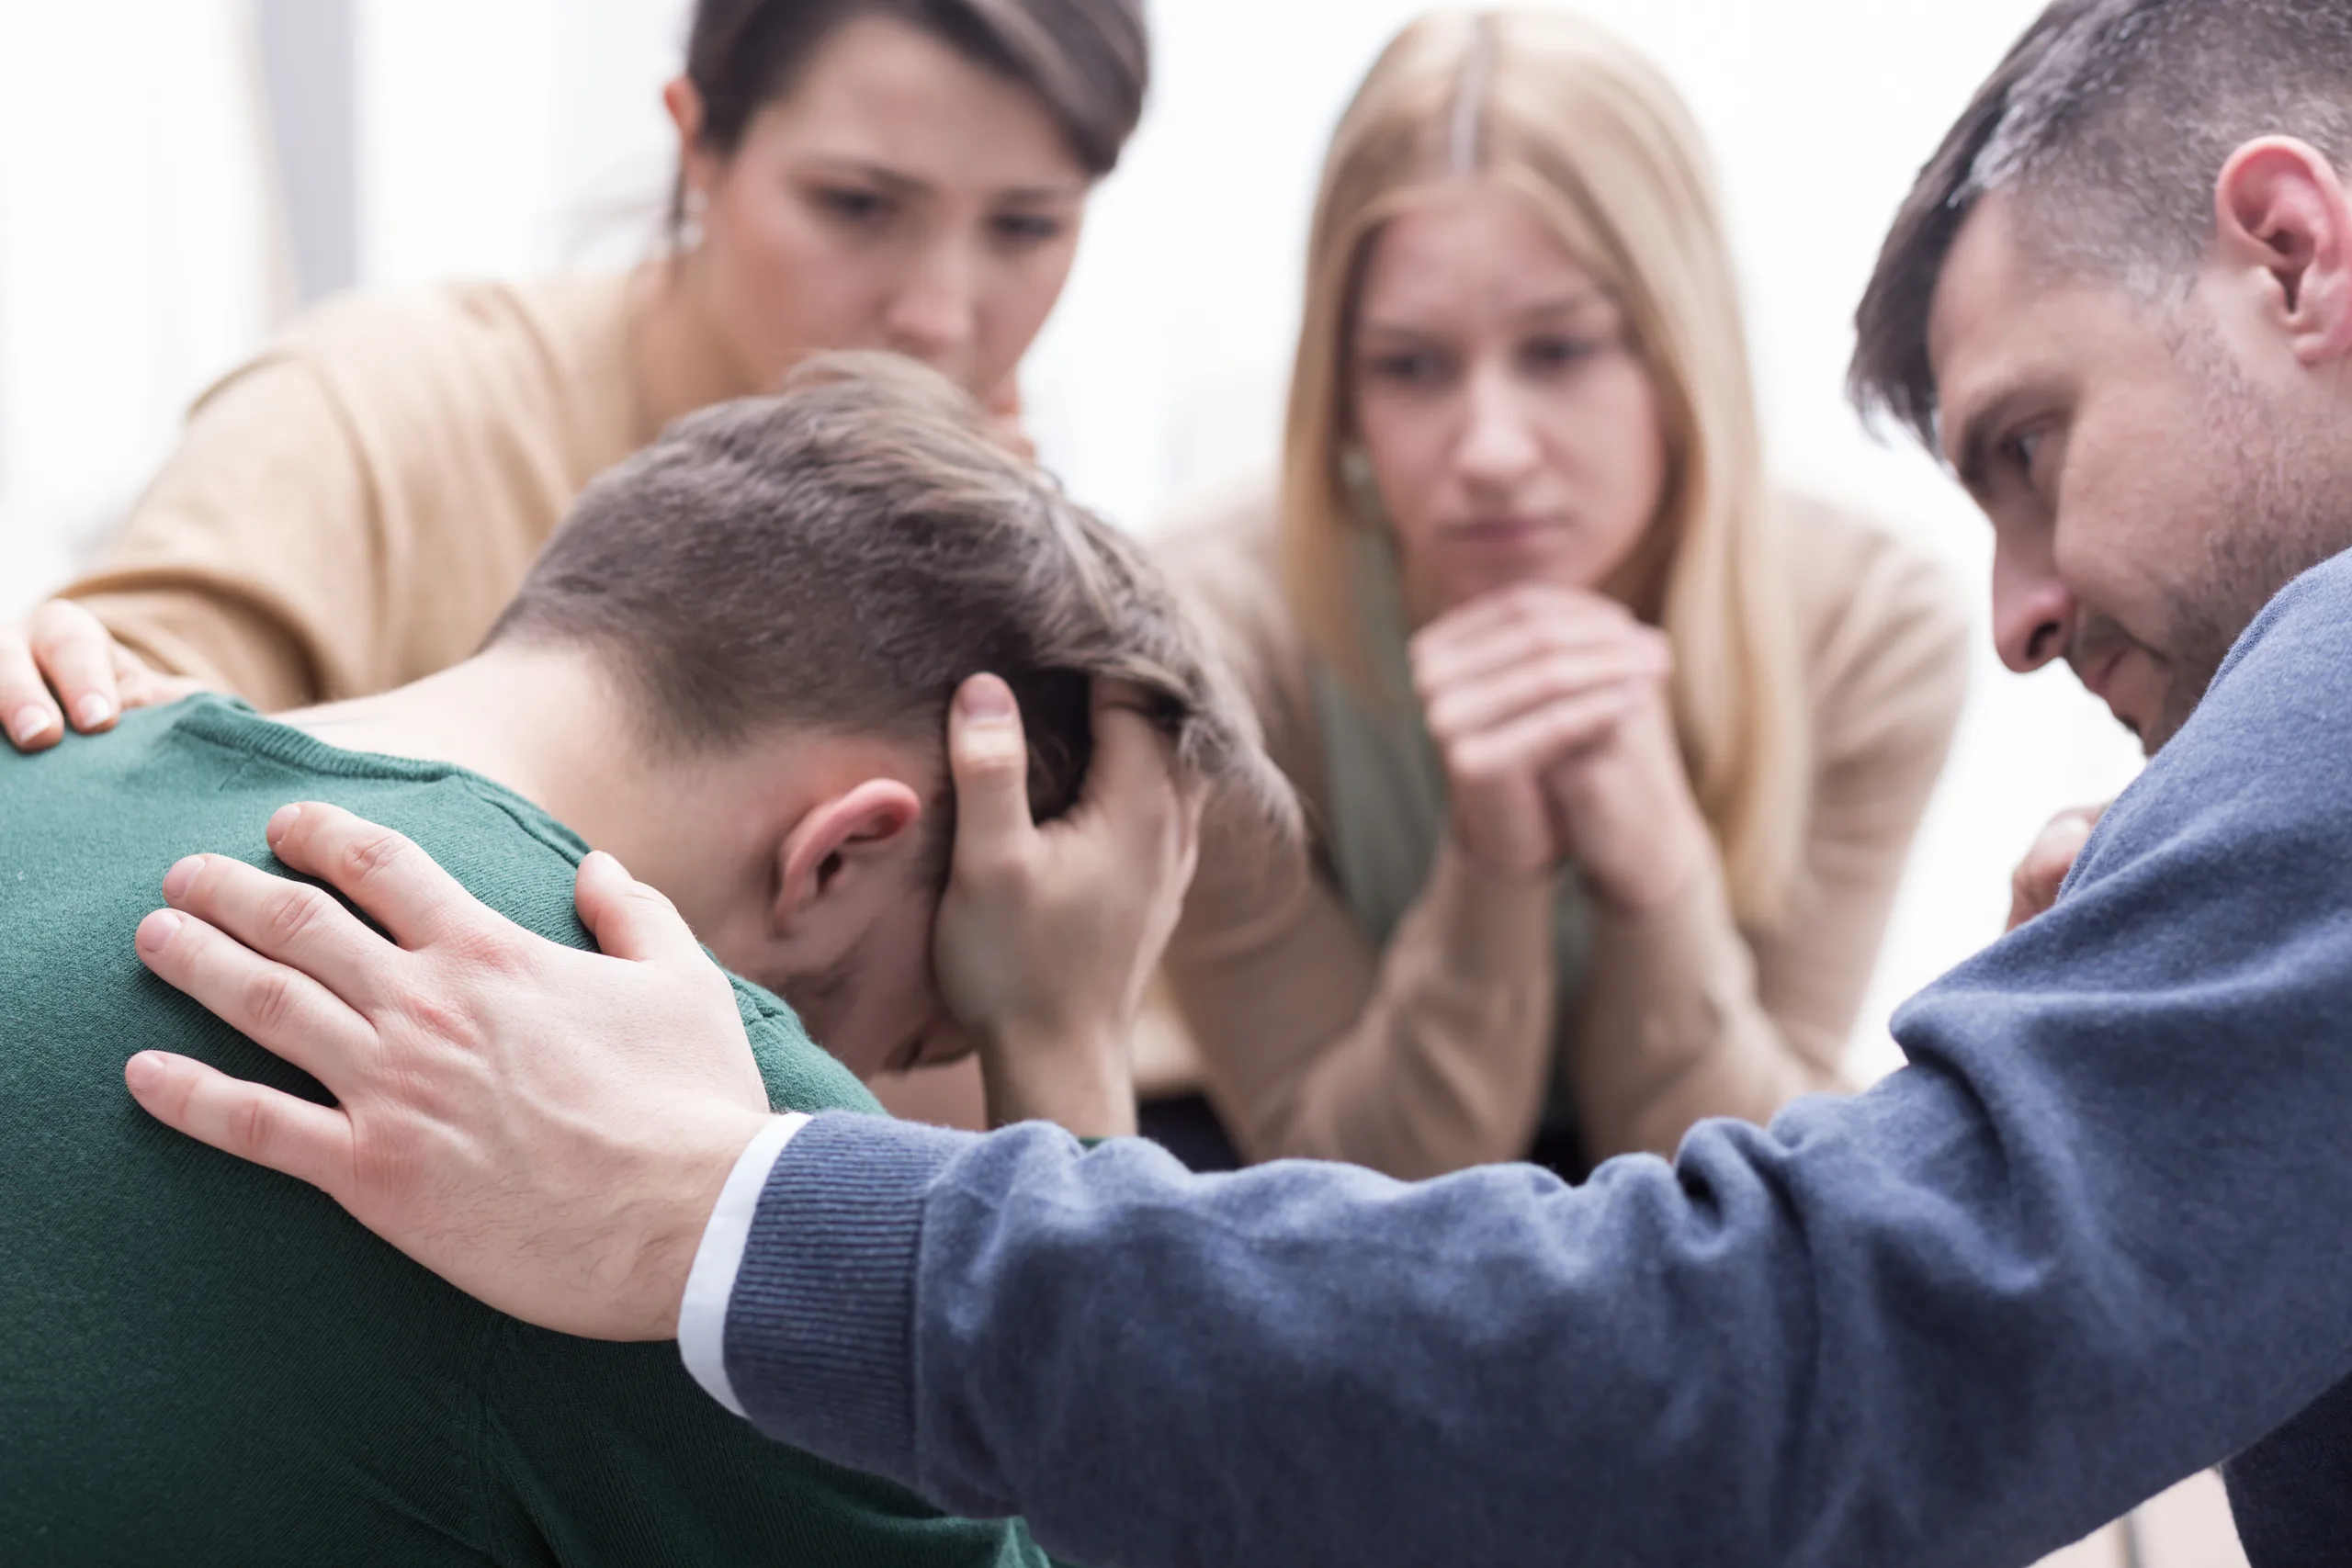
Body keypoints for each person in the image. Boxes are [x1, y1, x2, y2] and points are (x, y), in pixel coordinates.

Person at [111, 0, 2352, 1563]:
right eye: (1406, 365)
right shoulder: (1190, 638)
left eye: (2027, 448)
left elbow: (1812, 1336)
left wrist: (728, 1197)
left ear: (2290, 253)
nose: (2015, 612)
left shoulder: (1949, 635)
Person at [0, 356, 1271, 1562]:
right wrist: (1066, 1041)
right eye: (925, 1036)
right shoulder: (659, 1125)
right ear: (837, 858)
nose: (871, 1078)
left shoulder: (42, 734)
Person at [1144, 8, 1967, 1178]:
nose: (1488, 448)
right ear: (1337, 388)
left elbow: (1761, 1209)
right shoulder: (1201, 637)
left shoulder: (1869, 627)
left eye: (1560, 350)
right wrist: (1493, 867)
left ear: (1682, 349)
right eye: (1409, 366)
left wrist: (1658, 874)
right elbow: (1346, 1193)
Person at [0, 0, 1145, 734]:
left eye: (1027, 228)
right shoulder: (376, 408)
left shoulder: (1030, 574)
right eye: (855, 205)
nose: (940, 314)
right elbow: (101, 743)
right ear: (696, 139)